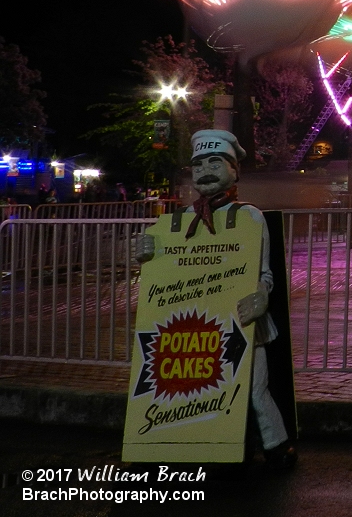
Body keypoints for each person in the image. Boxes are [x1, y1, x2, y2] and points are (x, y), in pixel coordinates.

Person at [135, 129, 298, 469]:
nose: (204, 171)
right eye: (198, 165)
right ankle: (204, 447)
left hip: (244, 320)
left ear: (233, 170)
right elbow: (165, 270)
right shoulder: (179, 221)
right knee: (196, 384)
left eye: (214, 162)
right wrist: (147, 253)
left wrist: (261, 296)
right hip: (200, 325)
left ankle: (277, 446)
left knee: (254, 389)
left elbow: (265, 273)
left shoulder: (249, 217)